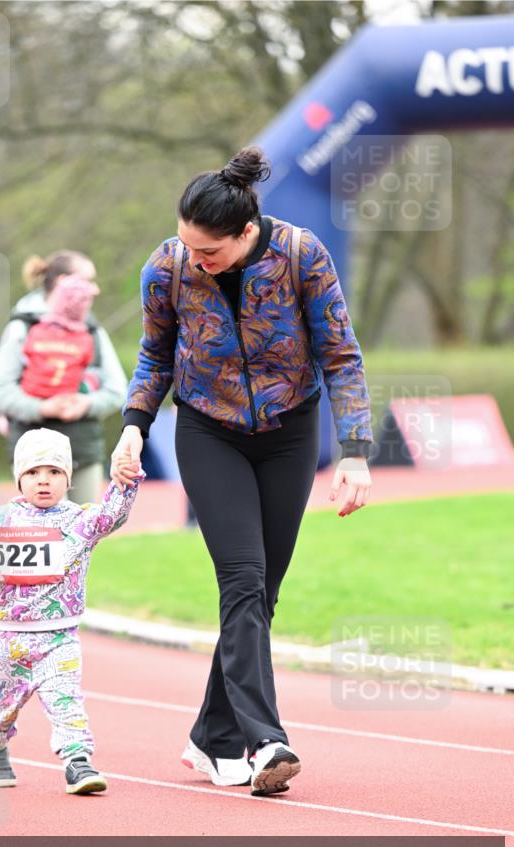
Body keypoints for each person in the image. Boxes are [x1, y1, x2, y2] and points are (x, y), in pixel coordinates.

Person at [111, 146, 373, 797]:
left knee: (259, 596)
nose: (194, 260)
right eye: (186, 246)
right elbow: (154, 355)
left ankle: (211, 738)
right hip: (206, 430)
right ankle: (266, 742)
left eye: (209, 252)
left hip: (289, 433)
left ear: (246, 232)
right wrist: (132, 428)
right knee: (243, 577)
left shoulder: (300, 254)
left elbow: (339, 353)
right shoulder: (166, 267)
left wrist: (355, 449)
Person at [0, 428, 143, 795]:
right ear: (19, 477)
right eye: (34, 473)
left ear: (68, 478)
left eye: (55, 472)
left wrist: (126, 482)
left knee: (66, 700)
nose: (44, 481)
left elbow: (112, 517)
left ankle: (78, 761)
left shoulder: (80, 521)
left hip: (59, 636)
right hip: (6, 638)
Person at [0, 250, 128, 504]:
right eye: (87, 280)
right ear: (64, 281)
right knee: (44, 535)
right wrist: (42, 408)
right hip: (33, 452)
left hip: (83, 447)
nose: (95, 289)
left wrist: (86, 403)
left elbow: (117, 389)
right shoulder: (22, 327)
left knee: (84, 534)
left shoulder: (93, 330)